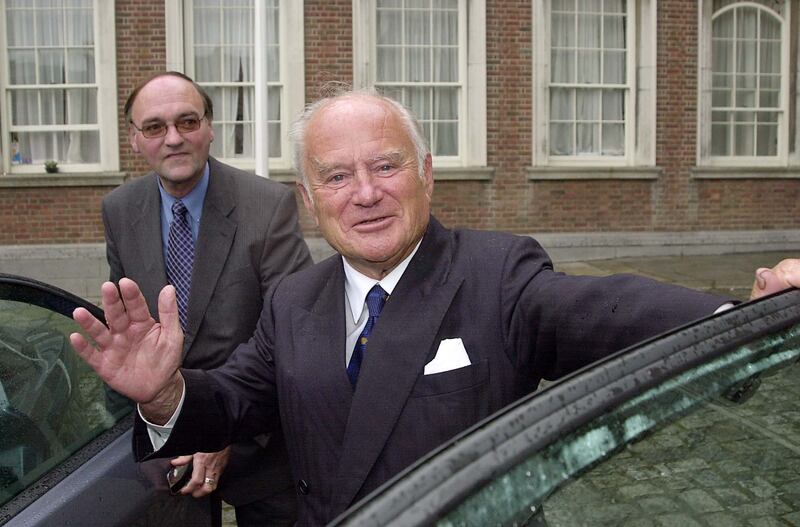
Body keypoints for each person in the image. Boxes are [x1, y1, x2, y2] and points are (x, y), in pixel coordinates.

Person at [71, 89, 800, 526]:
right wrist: (167, 393)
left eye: (385, 165)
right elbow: (235, 398)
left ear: (425, 174)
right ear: (308, 198)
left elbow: (599, 308)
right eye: (336, 175)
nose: (365, 192)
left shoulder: (498, 272)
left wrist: (737, 319)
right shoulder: (295, 299)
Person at [102, 71, 312, 526]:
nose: (173, 139)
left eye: (188, 122)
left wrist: (222, 428)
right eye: (155, 127)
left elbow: (295, 333)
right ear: (135, 140)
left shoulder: (267, 206)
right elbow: (130, 331)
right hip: (170, 458)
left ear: (210, 128)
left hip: (262, 452)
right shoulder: (118, 210)